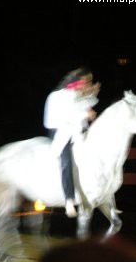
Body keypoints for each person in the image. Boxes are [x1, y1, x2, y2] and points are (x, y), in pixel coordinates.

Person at [43, 67, 100, 218]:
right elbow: (68, 114)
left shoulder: (76, 95)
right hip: (60, 131)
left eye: (89, 82)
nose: (88, 84)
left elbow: (84, 105)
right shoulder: (58, 96)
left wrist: (92, 95)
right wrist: (85, 113)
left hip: (75, 131)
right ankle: (69, 199)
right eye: (86, 82)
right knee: (66, 160)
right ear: (77, 82)